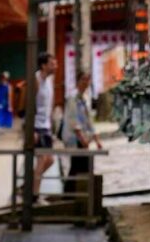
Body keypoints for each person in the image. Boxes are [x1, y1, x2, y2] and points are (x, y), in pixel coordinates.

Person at [62, 71, 102, 195]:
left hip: (83, 138)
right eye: (83, 79)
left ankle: (76, 194)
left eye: (87, 80)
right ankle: (71, 195)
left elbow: (88, 120)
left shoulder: (84, 99)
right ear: (78, 82)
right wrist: (82, 139)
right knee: (78, 166)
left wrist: (96, 139)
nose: (86, 82)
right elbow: (74, 121)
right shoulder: (73, 98)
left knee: (80, 166)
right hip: (75, 139)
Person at [33, 51, 57, 202]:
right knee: (42, 160)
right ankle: (34, 196)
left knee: (50, 160)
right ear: (43, 66)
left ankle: (28, 185)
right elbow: (30, 105)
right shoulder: (36, 79)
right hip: (37, 126)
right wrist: (31, 129)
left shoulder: (49, 80)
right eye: (52, 64)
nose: (55, 66)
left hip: (46, 125)